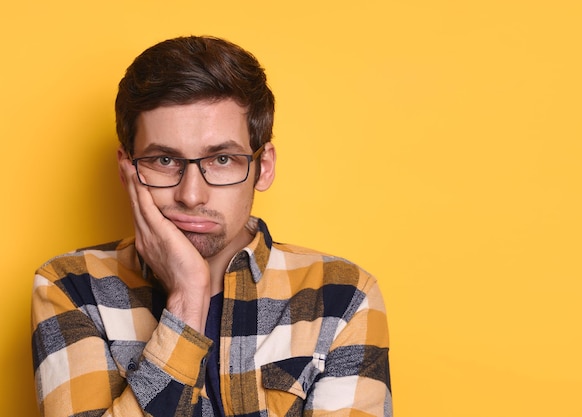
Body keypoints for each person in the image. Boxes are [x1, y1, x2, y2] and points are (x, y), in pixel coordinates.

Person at [31, 35, 392, 417]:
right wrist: (188, 300)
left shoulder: (342, 296)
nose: (191, 195)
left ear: (263, 166)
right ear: (127, 168)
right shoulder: (71, 287)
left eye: (221, 159)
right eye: (164, 161)